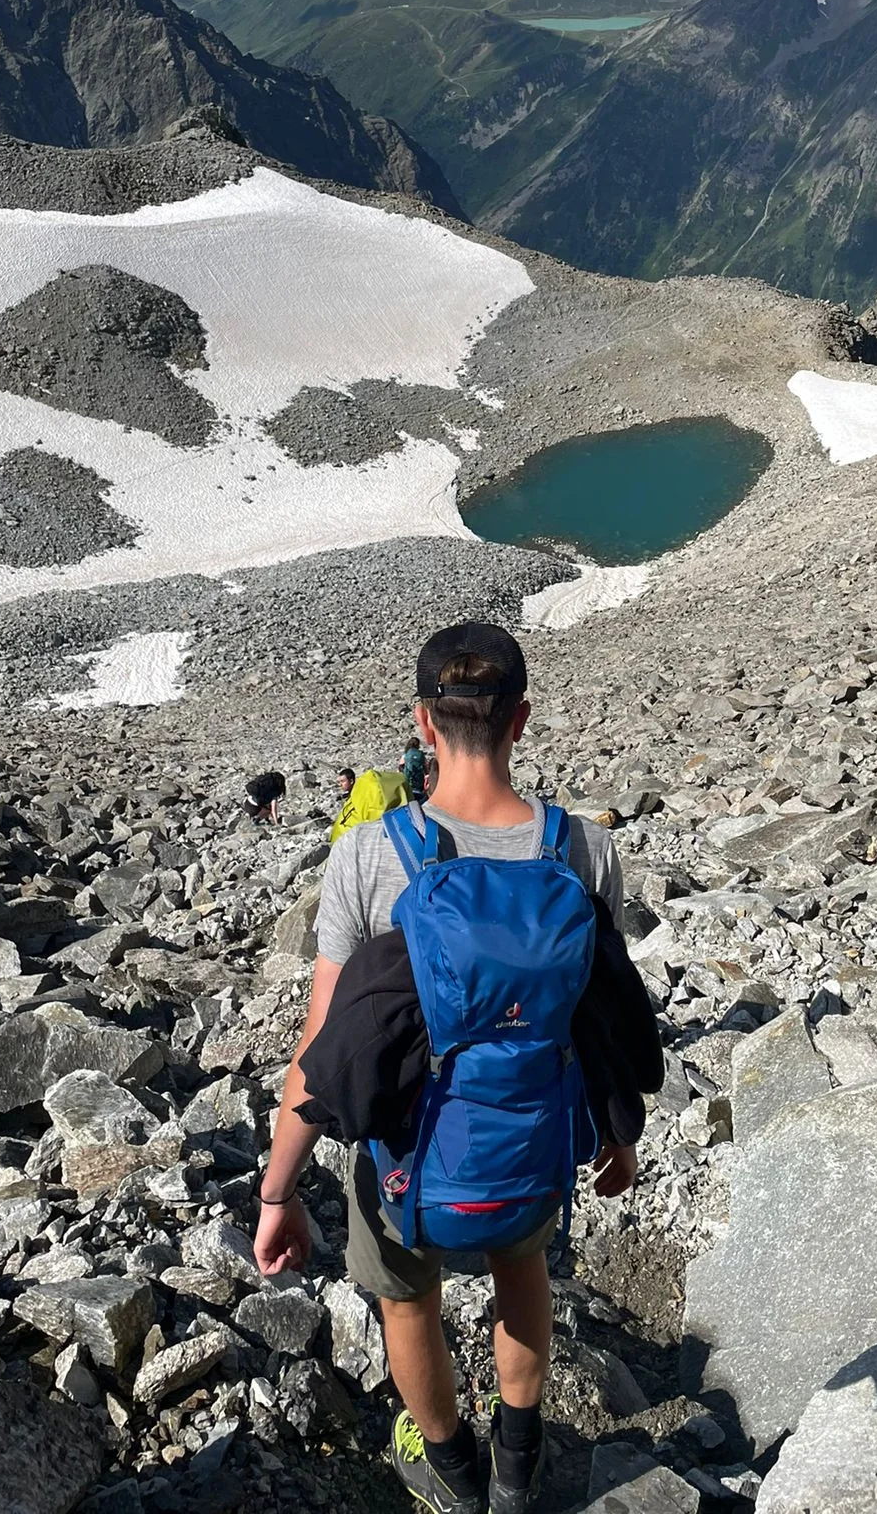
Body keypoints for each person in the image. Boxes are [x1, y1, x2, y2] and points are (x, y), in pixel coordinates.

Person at [254, 624, 636, 1514]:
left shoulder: (370, 853)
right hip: (532, 1139)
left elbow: (325, 1051)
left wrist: (277, 1191)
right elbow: (607, 1014)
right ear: (522, 721)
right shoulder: (582, 850)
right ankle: (516, 1465)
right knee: (523, 1270)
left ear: (424, 724)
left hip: (405, 1156)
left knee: (407, 1299)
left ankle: (452, 1475)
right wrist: (620, 1135)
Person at [401, 735, 428, 802]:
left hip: (408, 781)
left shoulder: (406, 755)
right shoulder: (420, 754)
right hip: (419, 781)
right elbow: (425, 767)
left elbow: (400, 767)